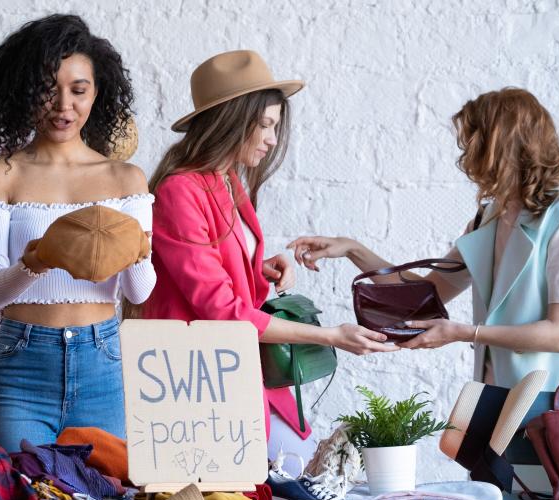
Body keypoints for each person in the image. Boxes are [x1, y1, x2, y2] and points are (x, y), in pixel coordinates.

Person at [139, 50, 395, 475]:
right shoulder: (180, 190)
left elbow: (209, 267)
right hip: (193, 383)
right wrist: (329, 336)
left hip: (232, 368)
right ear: (231, 121)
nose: (273, 139)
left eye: (275, 127)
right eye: (266, 126)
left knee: (297, 472)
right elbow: (221, 311)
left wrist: (258, 269)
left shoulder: (228, 181)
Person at [289, 88, 559, 393]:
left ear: (500, 147)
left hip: (555, 402)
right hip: (497, 394)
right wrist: (352, 249)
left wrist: (461, 333)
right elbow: (429, 293)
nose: (467, 158)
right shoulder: (489, 219)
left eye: (473, 146)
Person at [0, 14, 155, 452]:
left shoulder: (126, 178)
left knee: (104, 495)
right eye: (48, 89)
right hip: (21, 365)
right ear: (23, 89)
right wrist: (38, 260)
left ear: (97, 91)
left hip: (102, 362)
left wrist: (139, 253)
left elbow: (140, 293)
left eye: (78, 90)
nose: (63, 105)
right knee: (20, 494)